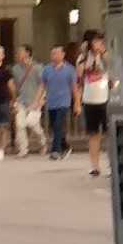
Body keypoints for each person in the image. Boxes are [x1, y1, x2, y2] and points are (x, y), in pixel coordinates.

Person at [76, 32, 112, 177]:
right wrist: (85, 55)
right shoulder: (83, 57)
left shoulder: (106, 55)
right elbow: (79, 76)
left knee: (109, 133)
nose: (98, 44)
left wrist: (103, 53)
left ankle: (112, 165)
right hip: (89, 99)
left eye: (100, 41)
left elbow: (113, 66)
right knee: (93, 134)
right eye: (96, 41)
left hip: (105, 98)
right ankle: (95, 166)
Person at [40, 44, 77, 160]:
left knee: (58, 125)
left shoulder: (70, 69)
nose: (54, 55)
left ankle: (55, 150)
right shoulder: (47, 69)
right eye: (52, 53)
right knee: (55, 127)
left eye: (56, 53)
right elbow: (42, 86)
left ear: (63, 54)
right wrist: (38, 100)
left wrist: (77, 103)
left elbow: (74, 87)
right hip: (51, 102)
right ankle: (65, 145)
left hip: (64, 102)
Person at [11, 44, 46, 158]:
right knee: (20, 125)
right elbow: (15, 85)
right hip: (21, 100)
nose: (18, 54)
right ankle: (23, 149)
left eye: (20, 52)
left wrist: (41, 99)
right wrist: (14, 100)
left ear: (27, 53)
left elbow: (43, 84)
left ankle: (42, 143)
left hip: (35, 101)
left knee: (34, 125)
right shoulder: (15, 69)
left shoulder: (38, 67)